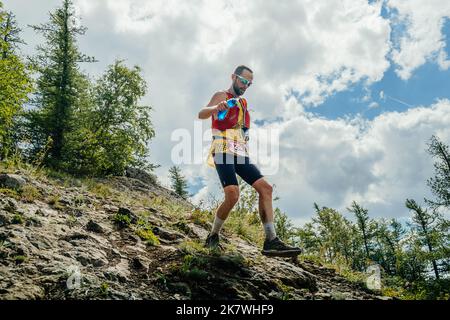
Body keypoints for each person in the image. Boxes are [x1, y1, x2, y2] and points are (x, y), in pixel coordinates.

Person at [198, 65, 302, 257]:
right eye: (243, 81)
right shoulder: (222, 95)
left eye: (249, 83)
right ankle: (213, 236)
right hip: (222, 148)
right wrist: (216, 107)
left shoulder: (243, 104)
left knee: (266, 188)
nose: (246, 85)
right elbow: (202, 113)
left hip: (239, 151)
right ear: (233, 77)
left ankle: (271, 241)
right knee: (233, 195)